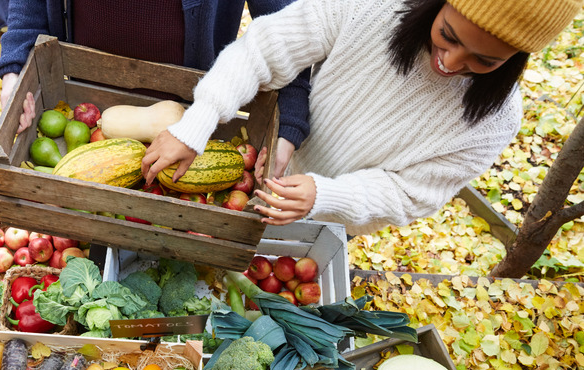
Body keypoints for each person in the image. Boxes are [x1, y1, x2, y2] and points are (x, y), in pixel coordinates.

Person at [142, 0, 583, 236]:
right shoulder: (374, 6)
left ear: (515, 59)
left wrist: (325, 196)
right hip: (265, 164)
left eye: (484, 61)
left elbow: (411, 195)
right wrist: (199, 121)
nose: (450, 61)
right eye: (447, 35)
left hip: (328, 219)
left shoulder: (496, 122)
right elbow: (263, 48)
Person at [0, 0, 312, 168]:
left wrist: (292, 114)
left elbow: (286, 24)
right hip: (84, 106)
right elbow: (30, 5)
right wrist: (15, 69)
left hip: (192, 124)